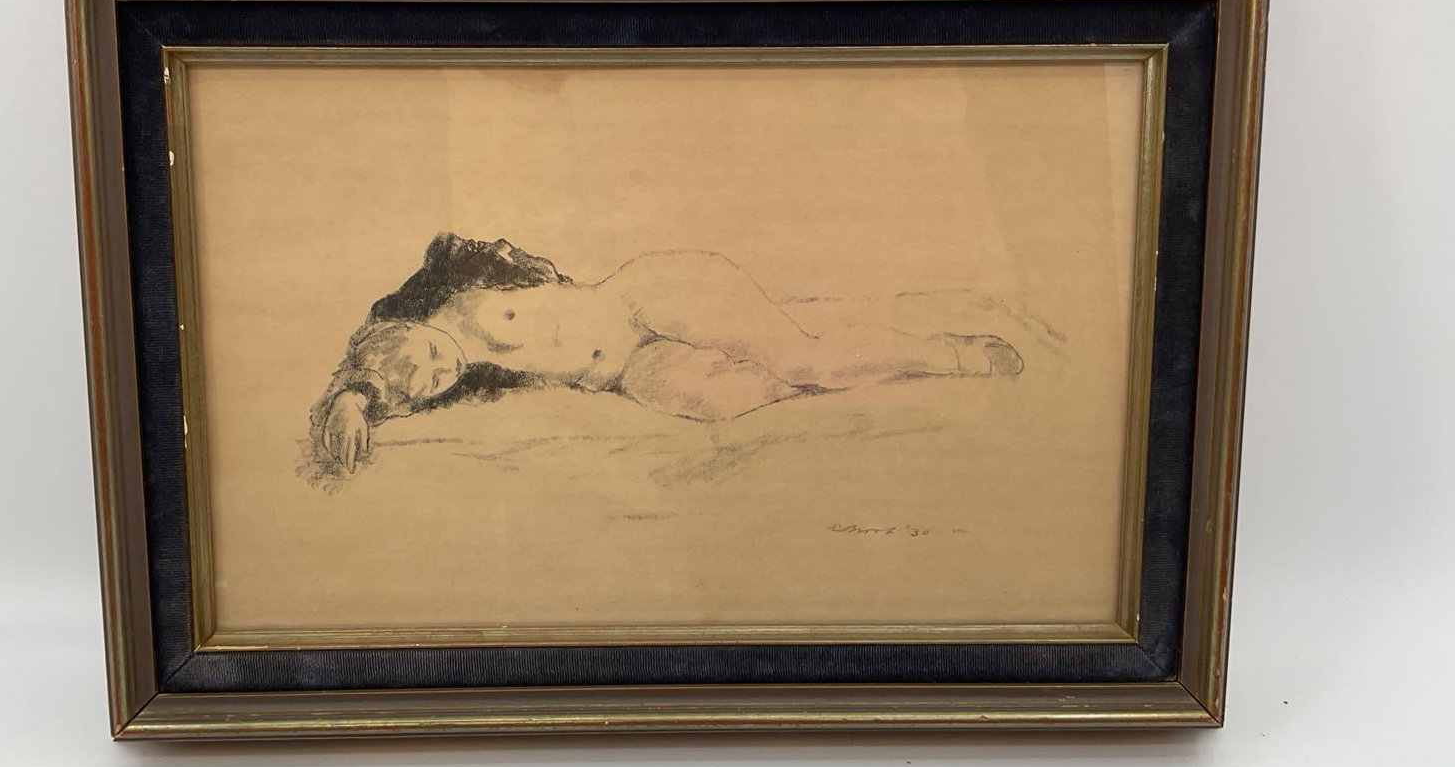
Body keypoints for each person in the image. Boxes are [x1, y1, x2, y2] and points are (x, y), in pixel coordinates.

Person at [314, 234, 1023, 474]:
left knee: (811, 364)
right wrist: (354, 400)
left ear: (404, 325)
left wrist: (356, 383)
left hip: (644, 299)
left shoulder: (449, 283)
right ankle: (820, 354)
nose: (442, 372)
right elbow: (381, 385)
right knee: (727, 398)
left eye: (428, 357)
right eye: (433, 385)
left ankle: (952, 355)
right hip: (625, 371)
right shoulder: (449, 374)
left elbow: (376, 351)